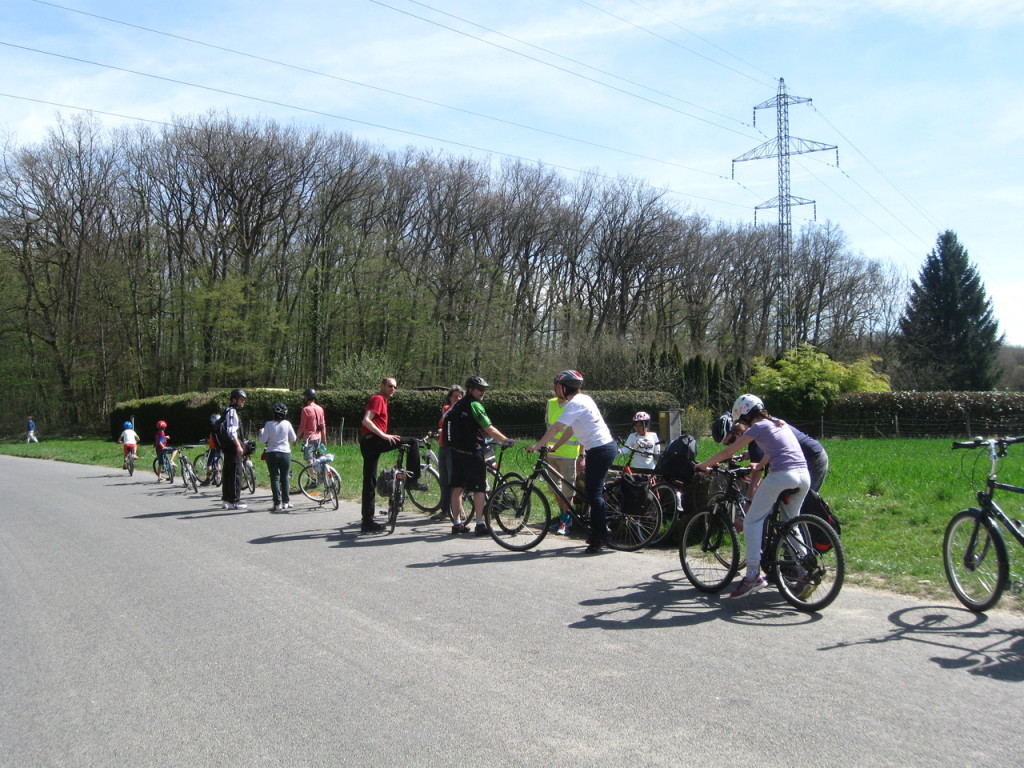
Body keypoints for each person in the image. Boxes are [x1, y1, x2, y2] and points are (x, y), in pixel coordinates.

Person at [695, 394, 811, 598]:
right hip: (804, 476)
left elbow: (728, 452)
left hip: (783, 475)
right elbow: (775, 449)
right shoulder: (778, 423)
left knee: (751, 521)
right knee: (790, 523)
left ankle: (752, 576)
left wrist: (703, 465)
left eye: (739, 418)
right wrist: (761, 464)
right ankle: (805, 572)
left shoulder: (757, 427)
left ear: (744, 414)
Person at [528, 370, 617, 554]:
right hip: (600, 449)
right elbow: (570, 430)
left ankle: (601, 536)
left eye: (557, 386)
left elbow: (557, 427)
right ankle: (596, 532)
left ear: (563, 387)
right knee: (592, 492)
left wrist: (538, 445)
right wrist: (555, 447)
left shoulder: (575, 402)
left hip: (601, 450)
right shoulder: (583, 400)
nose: (555, 389)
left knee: (594, 494)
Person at [444, 376, 513, 536]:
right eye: (480, 389)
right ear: (470, 389)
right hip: (472, 452)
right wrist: (506, 440)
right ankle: (480, 524)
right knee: (479, 488)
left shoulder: (456, 405)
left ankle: (457, 524)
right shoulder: (475, 405)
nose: (483, 392)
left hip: (456, 451)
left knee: (457, 488)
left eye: (484, 390)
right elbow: (488, 428)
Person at [359, 378, 427, 533]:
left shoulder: (382, 400)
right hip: (374, 441)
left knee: (369, 482)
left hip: (369, 442)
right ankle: (413, 480)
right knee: (413, 442)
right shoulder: (377, 399)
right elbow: (366, 421)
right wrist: (384, 435)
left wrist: (383, 435)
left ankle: (367, 522)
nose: (392, 389)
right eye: (389, 386)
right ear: (382, 385)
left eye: (395, 387)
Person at [713, 411, 829, 492]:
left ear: (738, 429)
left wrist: (749, 512)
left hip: (812, 458)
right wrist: (750, 454)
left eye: (732, 440)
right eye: (727, 444)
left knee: (801, 503)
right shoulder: (762, 422)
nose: (732, 445)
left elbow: (756, 479)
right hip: (808, 455)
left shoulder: (755, 435)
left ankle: (816, 525)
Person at [545, 383, 581, 535]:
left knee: (567, 490)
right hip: (551, 453)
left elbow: (579, 430)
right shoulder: (550, 403)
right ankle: (564, 517)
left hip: (569, 454)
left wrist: (582, 455)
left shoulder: (573, 404)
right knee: (554, 488)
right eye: (557, 387)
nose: (559, 390)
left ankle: (565, 520)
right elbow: (549, 426)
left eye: (562, 387)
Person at [259, 402, 297, 512]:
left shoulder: (268, 424)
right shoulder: (287, 424)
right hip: (285, 453)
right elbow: (293, 438)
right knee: (285, 477)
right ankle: (286, 501)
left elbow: (263, 440)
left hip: (271, 453)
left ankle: (277, 503)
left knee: (274, 477)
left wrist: (261, 433)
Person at [435, 384, 465, 522]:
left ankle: (456, 512)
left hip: (455, 448)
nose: (458, 398)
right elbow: (443, 422)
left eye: (460, 396)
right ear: (449, 397)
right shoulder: (446, 408)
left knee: (455, 481)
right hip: (443, 447)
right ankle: (445, 510)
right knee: (444, 480)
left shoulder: (464, 410)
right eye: (455, 396)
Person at [220, 389, 248, 511]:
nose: (243, 402)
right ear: (234, 399)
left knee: (227, 472)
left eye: (244, 400)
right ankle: (234, 501)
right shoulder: (232, 412)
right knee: (236, 473)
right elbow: (231, 431)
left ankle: (226, 499)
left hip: (227, 447)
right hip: (233, 447)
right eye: (241, 400)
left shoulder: (227, 411)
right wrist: (238, 446)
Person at [297, 388, 327, 462]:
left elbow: (302, 426)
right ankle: (319, 473)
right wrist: (324, 439)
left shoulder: (305, 409)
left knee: (309, 459)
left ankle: (312, 474)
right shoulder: (320, 409)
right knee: (319, 458)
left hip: (309, 438)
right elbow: (323, 425)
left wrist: (297, 437)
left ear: (307, 397)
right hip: (318, 437)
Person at [200, 413, 222, 486]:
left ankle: (208, 479)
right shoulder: (221, 428)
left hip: (213, 448)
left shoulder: (213, 429)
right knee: (217, 462)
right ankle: (217, 478)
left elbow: (212, 440)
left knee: (209, 463)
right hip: (220, 448)